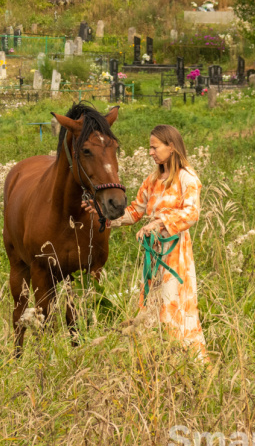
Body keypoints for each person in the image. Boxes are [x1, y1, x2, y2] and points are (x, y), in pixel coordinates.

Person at [84, 124, 208, 361]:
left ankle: (187, 363)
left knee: (174, 307)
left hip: (175, 254)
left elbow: (192, 214)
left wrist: (159, 223)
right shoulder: (152, 180)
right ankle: (156, 362)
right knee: (151, 306)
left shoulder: (187, 177)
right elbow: (134, 212)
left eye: (154, 147)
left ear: (171, 147)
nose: (150, 152)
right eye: (149, 148)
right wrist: (100, 213)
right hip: (153, 254)